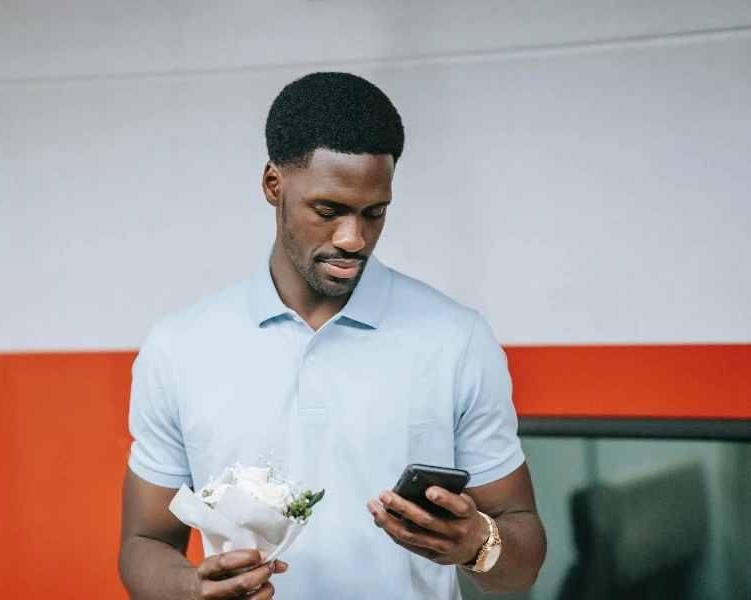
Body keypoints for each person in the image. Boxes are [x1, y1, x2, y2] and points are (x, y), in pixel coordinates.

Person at [118, 71, 546, 600]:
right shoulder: (179, 348)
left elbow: (521, 559)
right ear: (274, 184)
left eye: (375, 213)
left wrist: (479, 544)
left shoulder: (457, 340)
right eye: (329, 211)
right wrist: (191, 589)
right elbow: (144, 541)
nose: (354, 238)